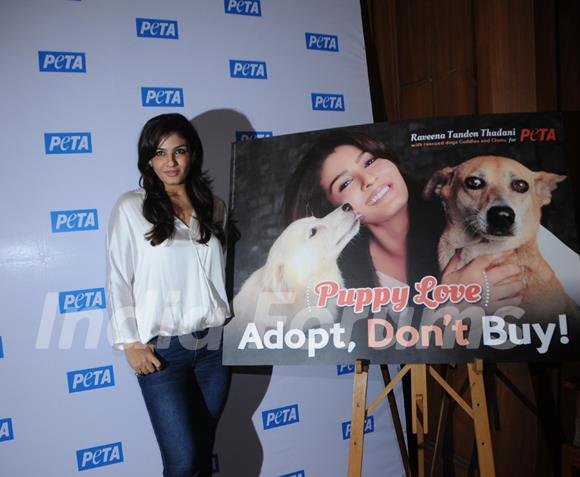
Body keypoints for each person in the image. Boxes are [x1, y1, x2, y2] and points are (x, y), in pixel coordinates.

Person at [106, 113, 230, 477]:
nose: (170, 162)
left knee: (203, 455)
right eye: (160, 153)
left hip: (215, 348)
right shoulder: (131, 207)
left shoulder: (214, 207)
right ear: (147, 159)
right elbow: (117, 278)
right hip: (162, 353)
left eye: (179, 151)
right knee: (181, 460)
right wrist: (130, 342)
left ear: (193, 154)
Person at [283, 130, 525, 309]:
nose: (368, 178)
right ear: (330, 211)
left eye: (369, 161)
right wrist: (451, 309)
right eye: (345, 183)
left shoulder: (473, 216)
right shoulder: (337, 279)